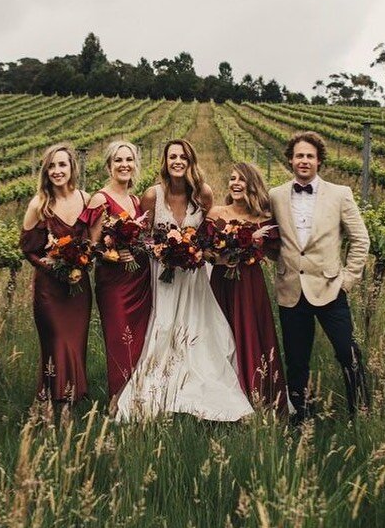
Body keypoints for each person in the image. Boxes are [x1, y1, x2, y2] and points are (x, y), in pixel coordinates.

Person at [116, 139, 253, 421]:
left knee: (204, 331)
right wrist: (160, 249)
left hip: (194, 276)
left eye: (183, 157)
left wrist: (199, 251)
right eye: (172, 157)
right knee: (164, 327)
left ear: (191, 162)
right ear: (165, 162)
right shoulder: (153, 195)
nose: (177, 161)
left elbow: (205, 236)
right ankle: (160, 386)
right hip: (163, 276)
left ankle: (205, 388)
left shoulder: (202, 194)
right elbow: (142, 237)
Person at [269, 131, 370, 421]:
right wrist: (283, 262)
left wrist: (348, 279)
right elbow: (271, 241)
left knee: (347, 353)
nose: (304, 161)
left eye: (309, 156)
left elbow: (360, 239)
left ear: (319, 161)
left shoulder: (340, 194)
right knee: (297, 361)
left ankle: (360, 412)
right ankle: (299, 416)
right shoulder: (275, 195)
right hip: (291, 289)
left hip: (330, 289)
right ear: (290, 159)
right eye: (299, 155)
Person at [208, 162, 287, 413]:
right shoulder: (216, 213)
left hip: (250, 285)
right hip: (222, 282)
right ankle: (222, 398)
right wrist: (222, 258)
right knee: (220, 335)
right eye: (232, 179)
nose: (235, 183)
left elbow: (275, 250)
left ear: (252, 184)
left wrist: (254, 252)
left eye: (241, 179)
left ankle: (257, 394)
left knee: (251, 331)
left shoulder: (263, 218)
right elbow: (204, 251)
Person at [79, 141, 152, 401]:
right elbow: (92, 245)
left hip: (140, 280)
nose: (124, 165)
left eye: (129, 160)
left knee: (140, 340)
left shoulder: (135, 200)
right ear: (109, 166)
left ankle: (139, 399)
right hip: (115, 283)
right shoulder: (100, 198)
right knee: (120, 340)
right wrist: (112, 253)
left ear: (135, 164)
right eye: (118, 160)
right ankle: (118, 401)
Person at [20, 143, 92, 406]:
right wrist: (52, 266)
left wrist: (83, 262)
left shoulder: (86, 199)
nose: (57, 170)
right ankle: (54, 396)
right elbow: (28, 250)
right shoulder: (40, 204)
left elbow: (92, 242)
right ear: (45, 171)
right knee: (57, 340)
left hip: (79, 287)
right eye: (51, 165)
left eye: (62, 164)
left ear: (72, 167)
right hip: (50, 289)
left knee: (76, 340)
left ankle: (75, 394)